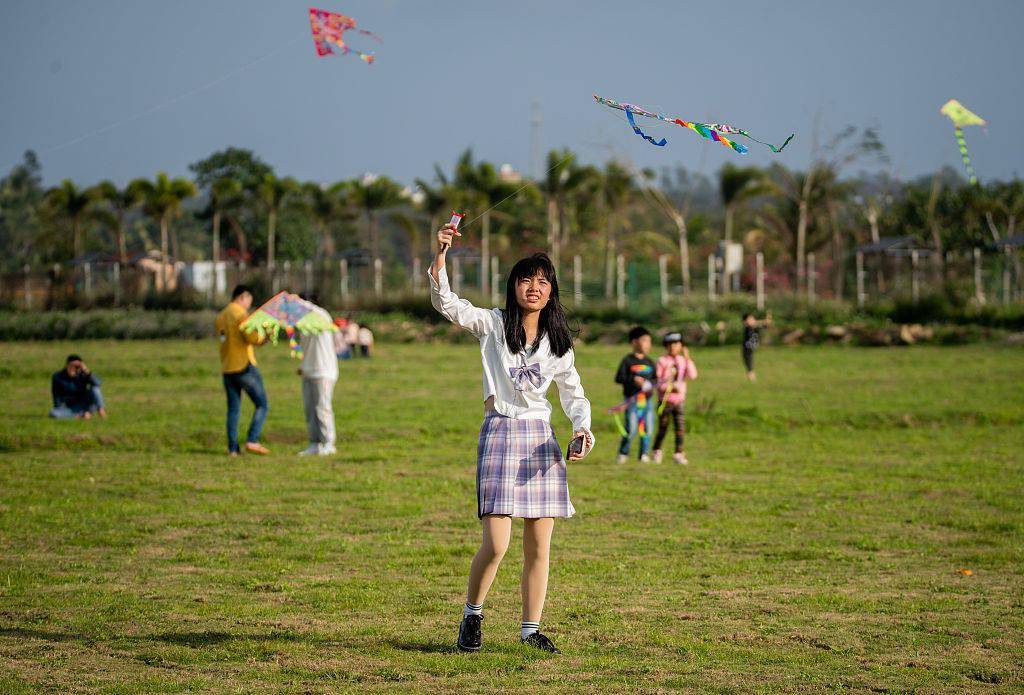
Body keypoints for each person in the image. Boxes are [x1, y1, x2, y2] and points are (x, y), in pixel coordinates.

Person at [430, 222, 594, 655]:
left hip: (540, 439)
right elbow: (449, 304)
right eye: (526, 280)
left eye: (543, 282)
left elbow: (574, 393)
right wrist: (441, 255)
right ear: (513, 286)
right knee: (497, 543)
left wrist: (581, 428)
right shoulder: (493, 324)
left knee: (540, 545)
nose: (534, 288)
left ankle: (530, 629)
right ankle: (472, 615)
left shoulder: (558, 344)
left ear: (552, 291)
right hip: (501, 432)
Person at [215, 285, 270, 456]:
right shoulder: (241, 314)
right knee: (262, 404)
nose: (248, 304)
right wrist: (265, 336)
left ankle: (233, 449)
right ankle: (252, 439)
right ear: (242, 297)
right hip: (244, 367)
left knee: (233, 409)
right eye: (248, 300)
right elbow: (252, 337)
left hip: (227, 367)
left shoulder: (221, 316)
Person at [297, 295, 338, 456]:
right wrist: (303, 365)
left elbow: (317, 313)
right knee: (310, 409)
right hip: (308, 371)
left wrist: (298, 302)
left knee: (322, 408)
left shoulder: (321, 316)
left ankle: (328, 442)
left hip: (324, 371)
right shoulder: (303, 324)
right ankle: (314, 442)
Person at [652, 333, 698, 465]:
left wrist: (687, 357)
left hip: (679, 401)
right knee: (663, 427)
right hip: (665, 401)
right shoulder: (662, 361)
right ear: (666, 346)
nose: (673, 347)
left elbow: (693, 375)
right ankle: (657, 451)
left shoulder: (683, 361)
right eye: (670, 344)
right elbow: (658, 382)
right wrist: (670, 388)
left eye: (676, 344)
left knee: (680, 428)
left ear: (681, 346)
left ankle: (679, 453)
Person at [614, 326, 656, 463]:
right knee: (631, 429)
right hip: (631, 401)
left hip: (647, 402)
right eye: (644, 340)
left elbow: (655, 381)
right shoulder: (627, 361)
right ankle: (623, 453)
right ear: (634, 342)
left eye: (649, 341)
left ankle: (644, 454)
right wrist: (633, 380)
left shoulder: (650, 362)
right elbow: (619, 378)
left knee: (647, 429)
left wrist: (649, 384)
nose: (647, 344)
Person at [50, 354, 106, 419]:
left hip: (86, 403)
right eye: (71, 366)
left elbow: (97, 383)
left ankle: (101, 411)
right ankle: (81, 415)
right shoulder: (58, 377)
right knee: (53, 413)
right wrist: (59, 407)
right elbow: (56, 394)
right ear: (66, 365)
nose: (74, 368)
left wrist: (86, 370)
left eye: (76, 366)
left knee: (95, 389)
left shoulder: (83, 374)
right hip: (71, 406)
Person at [742, 311, 772, 381]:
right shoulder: (747, 327)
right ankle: (752, 378)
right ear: (745, 321)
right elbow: (755, 324)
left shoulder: (755, 326)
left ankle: (751, 377)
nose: (752, 320)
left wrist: (768, 318)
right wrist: (764, 321)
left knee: (750, 362)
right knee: (749, 364)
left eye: (752, 319)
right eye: (750, 319)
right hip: (747, 348)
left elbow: (766, 324)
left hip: (752, 346)